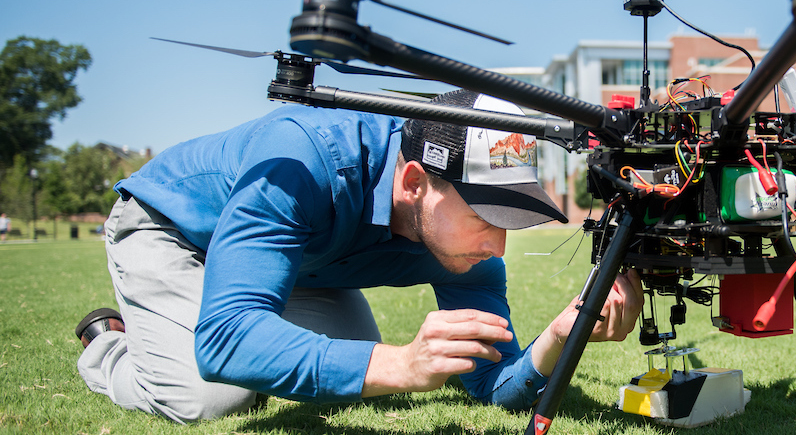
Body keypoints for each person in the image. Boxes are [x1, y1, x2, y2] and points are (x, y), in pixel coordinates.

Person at [74, 90, 643, 423]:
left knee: (336, 374)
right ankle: (110, 345)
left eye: (510, 220)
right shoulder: (304, 153)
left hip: (305, 262)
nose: (498, 247)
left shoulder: (466, 250)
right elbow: (225, 340)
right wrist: (399, 364)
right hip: (175, 230)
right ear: (416, 182)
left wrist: (559, 338)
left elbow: (494, 385)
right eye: (484, 217)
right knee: (215, 394)